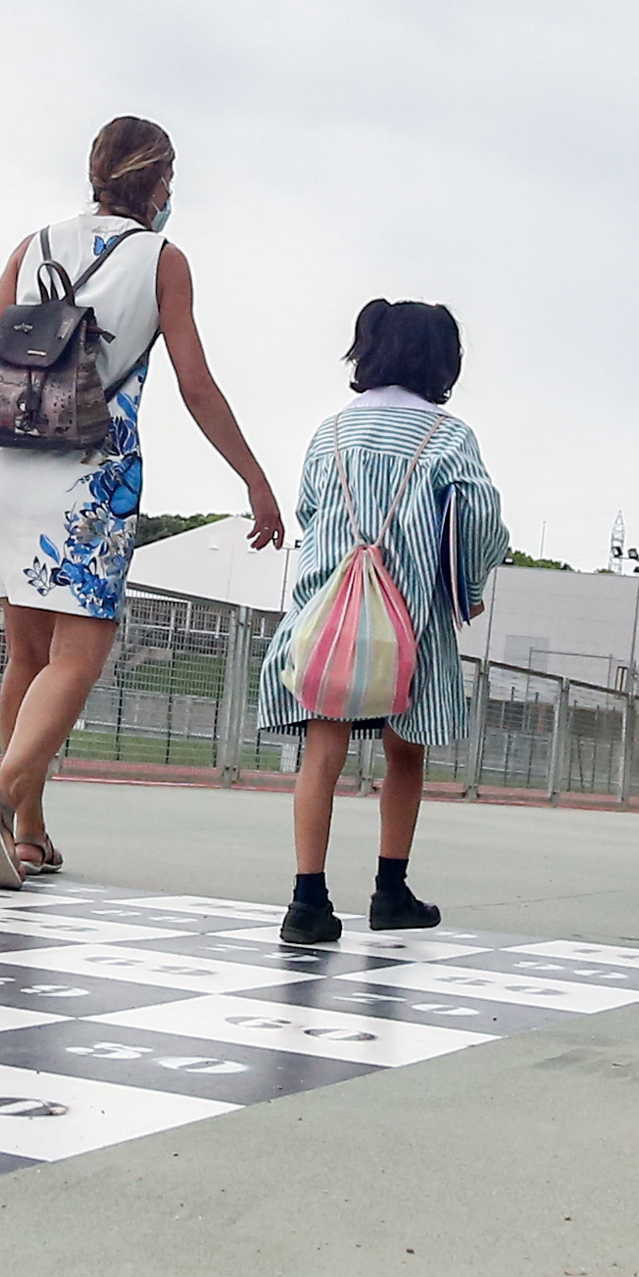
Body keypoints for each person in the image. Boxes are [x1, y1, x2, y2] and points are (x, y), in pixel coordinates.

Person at [0, 116, 283, 891]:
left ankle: (30, 832)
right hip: (93, 474)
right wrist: (255, 480)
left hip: (12, 464)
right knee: (78, 657)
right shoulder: (162, 260)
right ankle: (1, 796)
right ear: (161, 181)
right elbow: (195, 386)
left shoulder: (33, 245)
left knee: (26, 657)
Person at [261, 300, 505, 948]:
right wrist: (470, 588)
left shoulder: (329, 432)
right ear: (441, 361)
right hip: (411, 618)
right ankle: (390, 890)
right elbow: (480, 519)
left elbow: (311, 514)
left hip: (331, 613)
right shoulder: (449, 437)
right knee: (405, 751)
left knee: (323, 750)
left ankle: (306, 899)